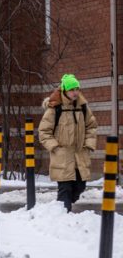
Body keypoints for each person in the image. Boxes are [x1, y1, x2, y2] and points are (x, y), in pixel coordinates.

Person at [38, 74, 98, 212]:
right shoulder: (55, 109)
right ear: (64, 90)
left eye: (77, 88)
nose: (75, 92)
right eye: (72, 89)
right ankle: (63, 216)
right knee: (65, 189)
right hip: (62, 156)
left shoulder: (83, 107)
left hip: (80, 155)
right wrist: (55, 147)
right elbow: (44, 132)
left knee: (80, 186)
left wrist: (89, 144)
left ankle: (61, 212)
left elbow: (91, 126)